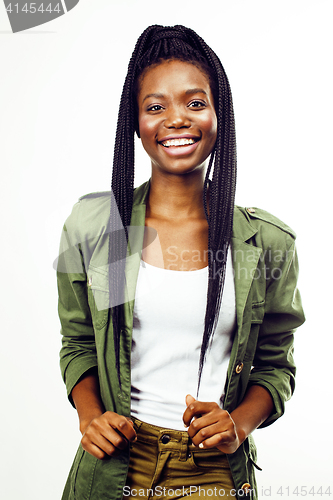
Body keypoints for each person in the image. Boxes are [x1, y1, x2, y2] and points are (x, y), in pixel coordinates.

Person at [57, 25, 305, 500]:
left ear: (219, 114)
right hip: (113, 470)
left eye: (195, 103)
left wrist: (237, 424)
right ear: (136, 120)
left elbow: (276, 367)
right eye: (156, 106)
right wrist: (91, 417)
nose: (176, 119)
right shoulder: (102, 229)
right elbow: (79, 342)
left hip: (212, 473)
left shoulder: (265, 242)